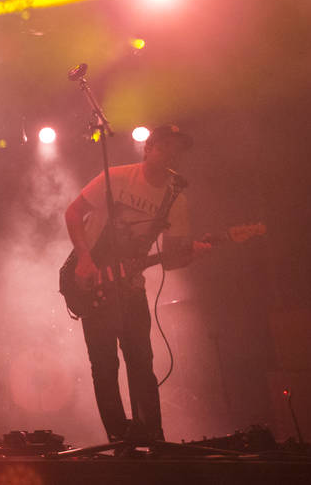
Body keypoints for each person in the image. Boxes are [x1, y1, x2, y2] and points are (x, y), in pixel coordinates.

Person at [63, 124, 211, 443]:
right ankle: (120, 439)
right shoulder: (115, 177)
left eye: (177, 148)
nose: (172, 153)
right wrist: (85, 259)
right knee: (104, 365)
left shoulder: (175, 198)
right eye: (165, 145)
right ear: (148, 148)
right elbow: (73, 213)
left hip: (130, 288)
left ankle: (153, 437)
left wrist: (193, 254)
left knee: (142, 363)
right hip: (94, 279)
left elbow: (171, 259)